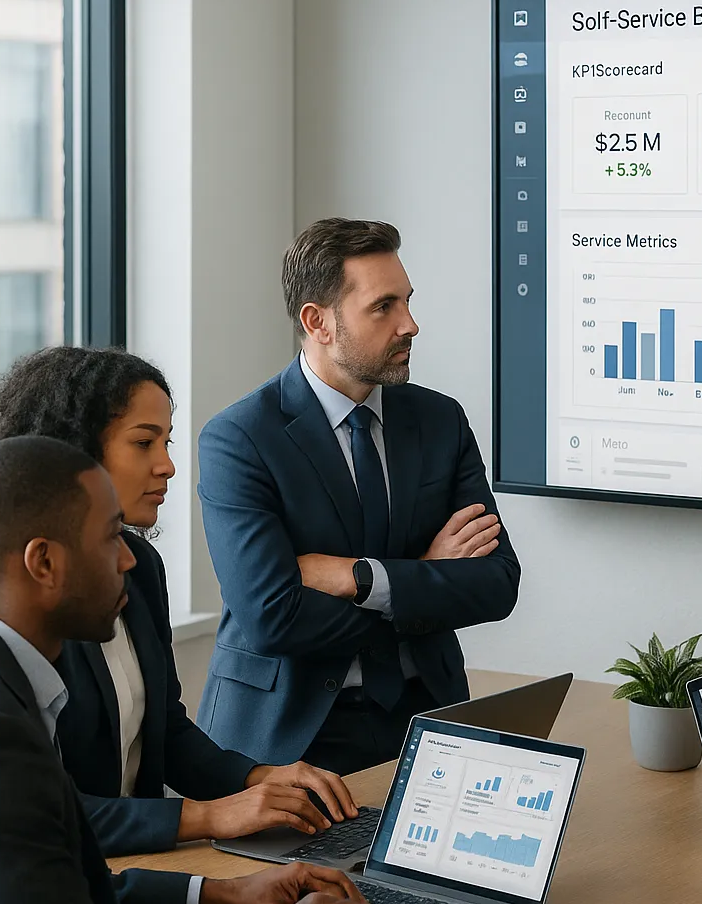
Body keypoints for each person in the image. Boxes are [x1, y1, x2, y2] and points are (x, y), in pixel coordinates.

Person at [0, 435, 387, 904]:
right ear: (43, 563)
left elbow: (49, 890)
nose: (128, 559)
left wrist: (218, 897)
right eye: (110, 538)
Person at [0, 346, 359, 856]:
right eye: (144, 443)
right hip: (68, 877)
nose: (168, 466)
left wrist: (259, 778)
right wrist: (208, 815)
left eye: (166, 442)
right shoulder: (27, 601)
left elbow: (165, 732)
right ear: (74, 451)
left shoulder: (139, 567)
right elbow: (42, 812)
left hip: (144, 870)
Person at [197, 217, 520, 774]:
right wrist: (420, 577)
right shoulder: (241, 438)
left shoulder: (440, 420)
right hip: (291, 737)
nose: (410, 325)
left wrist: (361, 579)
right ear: (317, 321)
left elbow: (496, 585)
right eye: (384, 307)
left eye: (408, 302)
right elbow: (272, 618)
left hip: (428, 719)